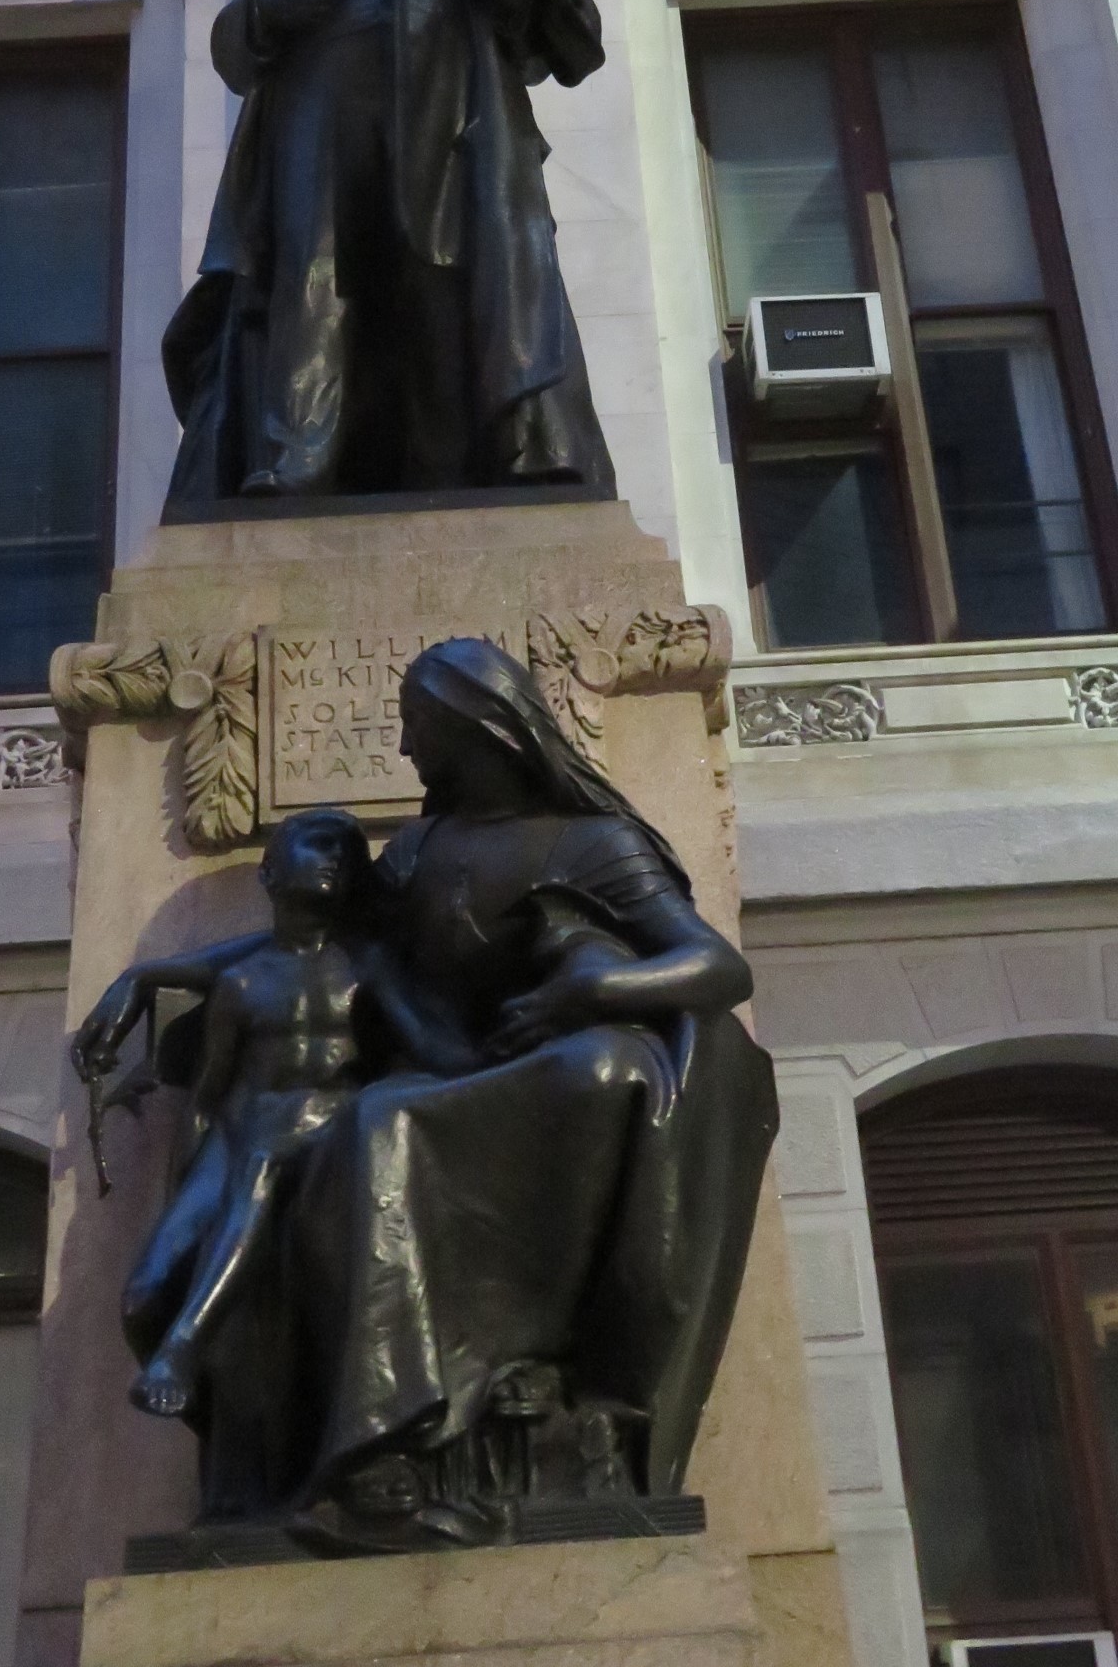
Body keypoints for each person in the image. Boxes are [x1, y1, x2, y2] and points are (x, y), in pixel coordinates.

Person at [74, 637, 779, 1549]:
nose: (405, 748)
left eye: (415, 725)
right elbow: (316, 943)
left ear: (477, 727)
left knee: (585, 1074)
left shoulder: (595, 844)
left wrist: (596, 989)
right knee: (380, 1118)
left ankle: (543, 1393)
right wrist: (156, 974)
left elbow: (715, 966)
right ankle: (383, 1449)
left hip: (561, 1075)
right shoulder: (418, 851)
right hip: (447, 1074)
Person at [160, 0, 616, 508]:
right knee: (314, 288)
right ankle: (296, 455)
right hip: (322, 138)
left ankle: (467, 462)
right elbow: (233, 48)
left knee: (442, 296)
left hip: (449, 135)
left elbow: (557, 43)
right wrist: (276, 9)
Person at [71, 809, 383, 1423]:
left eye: (348, 853)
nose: (335, 858)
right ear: (268, 872)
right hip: (237, 1134)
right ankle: (214, 1418)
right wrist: (185, 1184)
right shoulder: (241, 984)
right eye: (318, 844)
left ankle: (184, 1350)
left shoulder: (371, 968)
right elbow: (209, 1094)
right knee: (142, 1298)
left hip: (318, 1129)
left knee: (264, 1160)